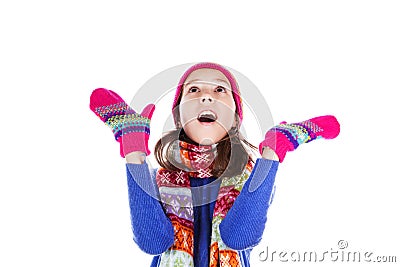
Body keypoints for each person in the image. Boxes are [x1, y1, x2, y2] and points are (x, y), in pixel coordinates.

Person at [89, 62, 340, 267]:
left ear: (234, 119)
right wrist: (133, 152)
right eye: (194, 90)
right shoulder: (158, 180)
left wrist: (272, 153)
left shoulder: (252, 177)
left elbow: (239, 237)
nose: (207, 97)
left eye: (220, 90)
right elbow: (153, 242)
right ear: (177, 117)